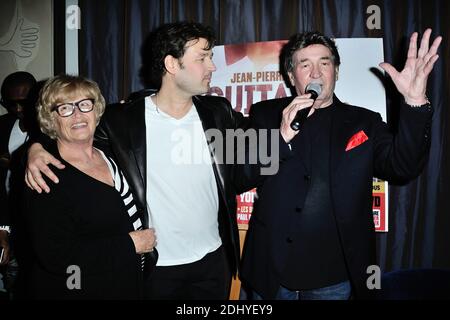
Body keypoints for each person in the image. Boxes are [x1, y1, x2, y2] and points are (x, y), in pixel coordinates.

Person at [25, 22, 247, 300]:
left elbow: (257, 149)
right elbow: (71, 130)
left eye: (210, 57)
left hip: (214, 261)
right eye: (202, 58)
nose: (212, 66)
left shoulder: (218, 112)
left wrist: (287, 133)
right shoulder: (122, 121)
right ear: (171, 64)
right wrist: (35, 148)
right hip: (153, 268)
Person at [239, 29, 441, 300]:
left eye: (324, 63)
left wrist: (414, 103)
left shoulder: (364, 122)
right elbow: (241, 176)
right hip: (271, 272)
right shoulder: (265, 114)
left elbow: (402, 167)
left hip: (334, 277)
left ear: (336, 71)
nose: (316, 73)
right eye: (305, 64)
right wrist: (281, 138)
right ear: (291, 76)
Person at [23, 75, 156, 299]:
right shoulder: (46, 174)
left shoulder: (112, 152)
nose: (78, 115)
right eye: (65, 108)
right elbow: (55, 256)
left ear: (97, 110)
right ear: (51, 119)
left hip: (127, 281)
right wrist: (130, 244)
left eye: (85, 104)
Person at [0, 72, 38, 298]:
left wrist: (15, 162)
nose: (17, 109)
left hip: (38, 221)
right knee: (11, 278)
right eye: (9, 103)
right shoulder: (2, 126)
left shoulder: (49, 129)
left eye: (23, 102)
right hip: (6, 218)